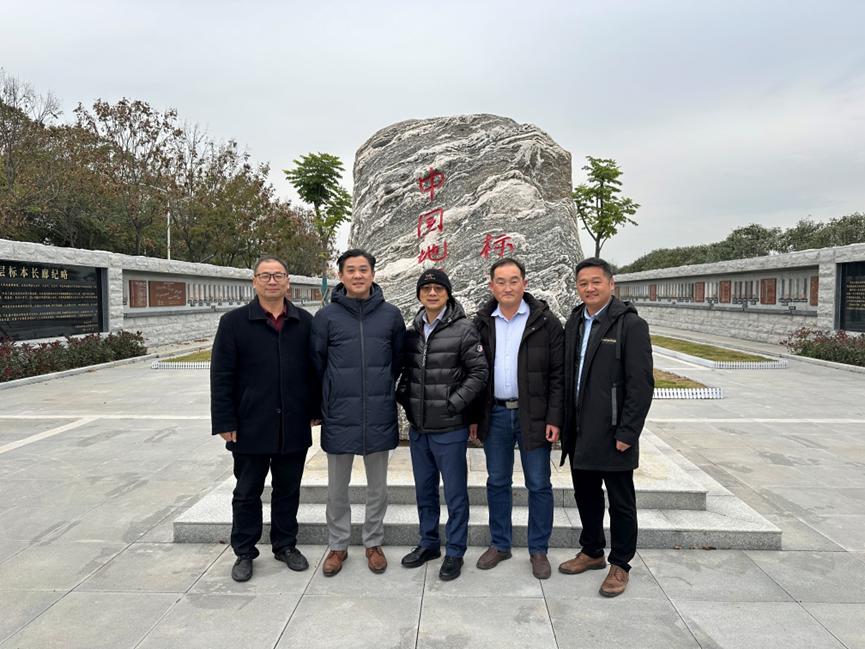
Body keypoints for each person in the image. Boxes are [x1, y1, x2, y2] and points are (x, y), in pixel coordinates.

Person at [210, 256, 320, 582]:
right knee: (247, 492)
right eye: (265, 275)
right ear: (254, 282)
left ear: (288, 282)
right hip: (249, 425)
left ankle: (285, 545)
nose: (272, 281)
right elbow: (222, 375)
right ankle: (244, 551)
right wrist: (225, 421)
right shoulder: (234, 322)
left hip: (293, 423)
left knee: (288, 490)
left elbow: (314, 371)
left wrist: (315, 410)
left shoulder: (304, 321)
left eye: (278, 275)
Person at [558, 257, 654, 597]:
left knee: (621, 502)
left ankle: (621, 563)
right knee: (586, 496)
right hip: (580, 431)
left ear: (612, 284)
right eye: (583, 283)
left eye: (596, 281)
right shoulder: (574, 321)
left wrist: (628, 432)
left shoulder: (631, 325)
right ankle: (592, 551)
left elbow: (641, 385)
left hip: (614, 433)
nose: (589, 288)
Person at [311, 249, 405, 576]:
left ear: (373, 274)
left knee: (378, 487)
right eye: (350, 270)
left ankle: (373, 542)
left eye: (363, 269)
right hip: (340, 413)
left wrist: (381, 386)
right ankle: (338, 545)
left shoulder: (391, 316)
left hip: (378, 411)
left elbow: (397, 361)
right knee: (337, 488)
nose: (357, 275)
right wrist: (322, 404)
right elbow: (316, 364)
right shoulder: (326, 317)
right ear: (340, 276)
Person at [469, 258, 564, 579]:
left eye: (513, 280)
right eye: (501, 281)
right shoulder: (481, 323)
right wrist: (474, 416)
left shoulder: (546, 323)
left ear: (524, 283)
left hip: (534, 415)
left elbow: (558, 376)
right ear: (491, 286)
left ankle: (538, 549)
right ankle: (500, 544)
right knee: (497, 481)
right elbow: (473, 373)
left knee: (538, 483)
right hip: (494, 414)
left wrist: (555, 418)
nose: (507, 287)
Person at [397, 268, 488, 581]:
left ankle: (455, 551)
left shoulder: (464, 329)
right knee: (424, 491)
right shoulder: (412, 332)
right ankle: (429, 543)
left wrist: (454, 403)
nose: (432, 293)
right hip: (419, 429)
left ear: (448, 293)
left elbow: (479, 373)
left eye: (438, 288)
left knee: (455, 494)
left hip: (449, 429)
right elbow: (406, 372)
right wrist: (404, 397)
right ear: (419, 295)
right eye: (426, 289)